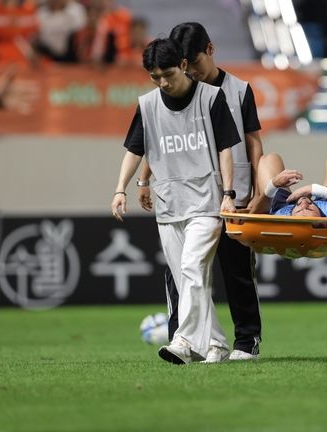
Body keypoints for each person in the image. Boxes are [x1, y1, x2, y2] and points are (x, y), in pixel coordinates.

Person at [136, 22, 264, 361]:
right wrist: (144, 179)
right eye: (184, 64)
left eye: (194, 62)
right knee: (182, 271)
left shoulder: (238, 89)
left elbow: (253, 141)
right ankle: (185, 339)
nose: (190, 70)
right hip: (184, 195)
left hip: (231, 195)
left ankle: (246, 341)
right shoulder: (174, 92)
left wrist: (255, 190)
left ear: (210, 50)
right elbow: (157, 143)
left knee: (237, 270)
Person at [110, 37, 239, 364]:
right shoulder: (148, 105)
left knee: (192, 268)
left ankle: (182, 341)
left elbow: (226, 147)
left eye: (167, 74)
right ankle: (217, 345)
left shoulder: (211, 98)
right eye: (155, 77)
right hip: (169, 206)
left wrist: (228, 194)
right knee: (188, 281)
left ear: (183, 65)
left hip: (207, 204)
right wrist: (122, 188)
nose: (163, 82)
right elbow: (135, 150)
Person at [254, 149, 327, 218]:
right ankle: (307, 210)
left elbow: (252, 216)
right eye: (309, 209)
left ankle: (302, 211)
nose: (304, 204)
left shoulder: (280, 215)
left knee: (268, 159)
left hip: (283, 208)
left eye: (300, 210)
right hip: (325, 206)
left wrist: (273, 185)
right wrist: (314, 189)